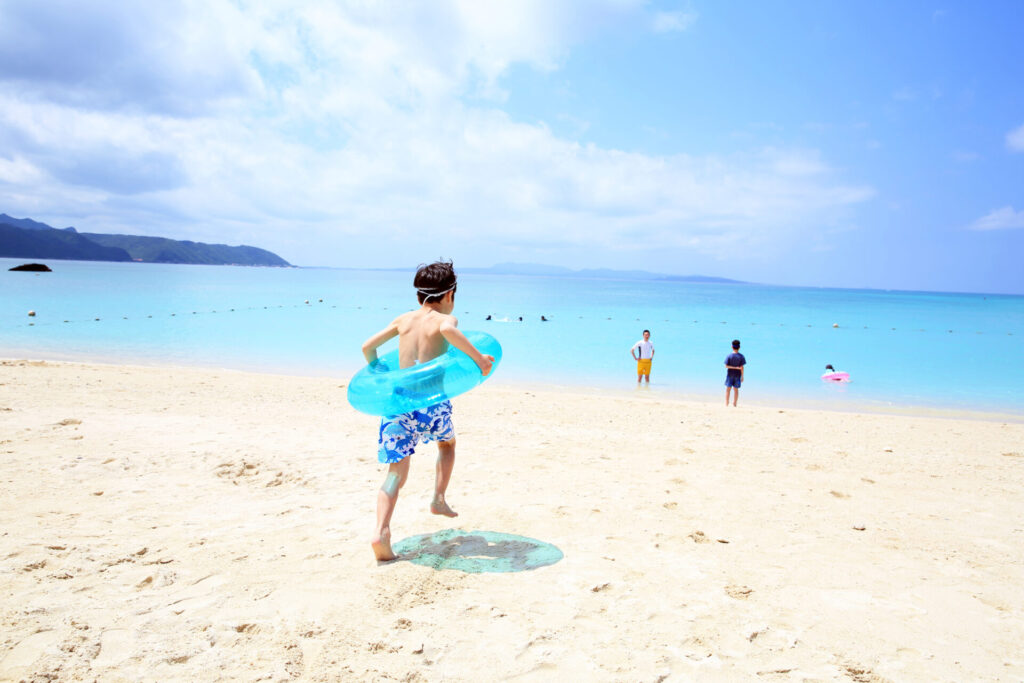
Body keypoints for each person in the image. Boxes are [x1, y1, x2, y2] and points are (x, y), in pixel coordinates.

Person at [360, 260, 494, 562]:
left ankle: (380, 532)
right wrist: (480, 360)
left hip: (399, 403)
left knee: (396, 473)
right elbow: (447, 330)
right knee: (447, 444)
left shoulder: (403, 320)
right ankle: (438, 498)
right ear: (449, 295)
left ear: (419, 295)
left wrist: (377, 369)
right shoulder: (445, 320)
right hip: (431, 403)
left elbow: (367, 347)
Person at [724, 339, 746, 406]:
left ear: (732, 347)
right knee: (736, 390)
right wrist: (742, 376)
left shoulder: (729, 356)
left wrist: (734, 367)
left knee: (728, 389)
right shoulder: (741, 356)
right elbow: (742, 367)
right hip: (737, 375)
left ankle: (727, 403)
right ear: (739, 347)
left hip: (730, 374)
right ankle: (735, 403)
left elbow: (726, 366)